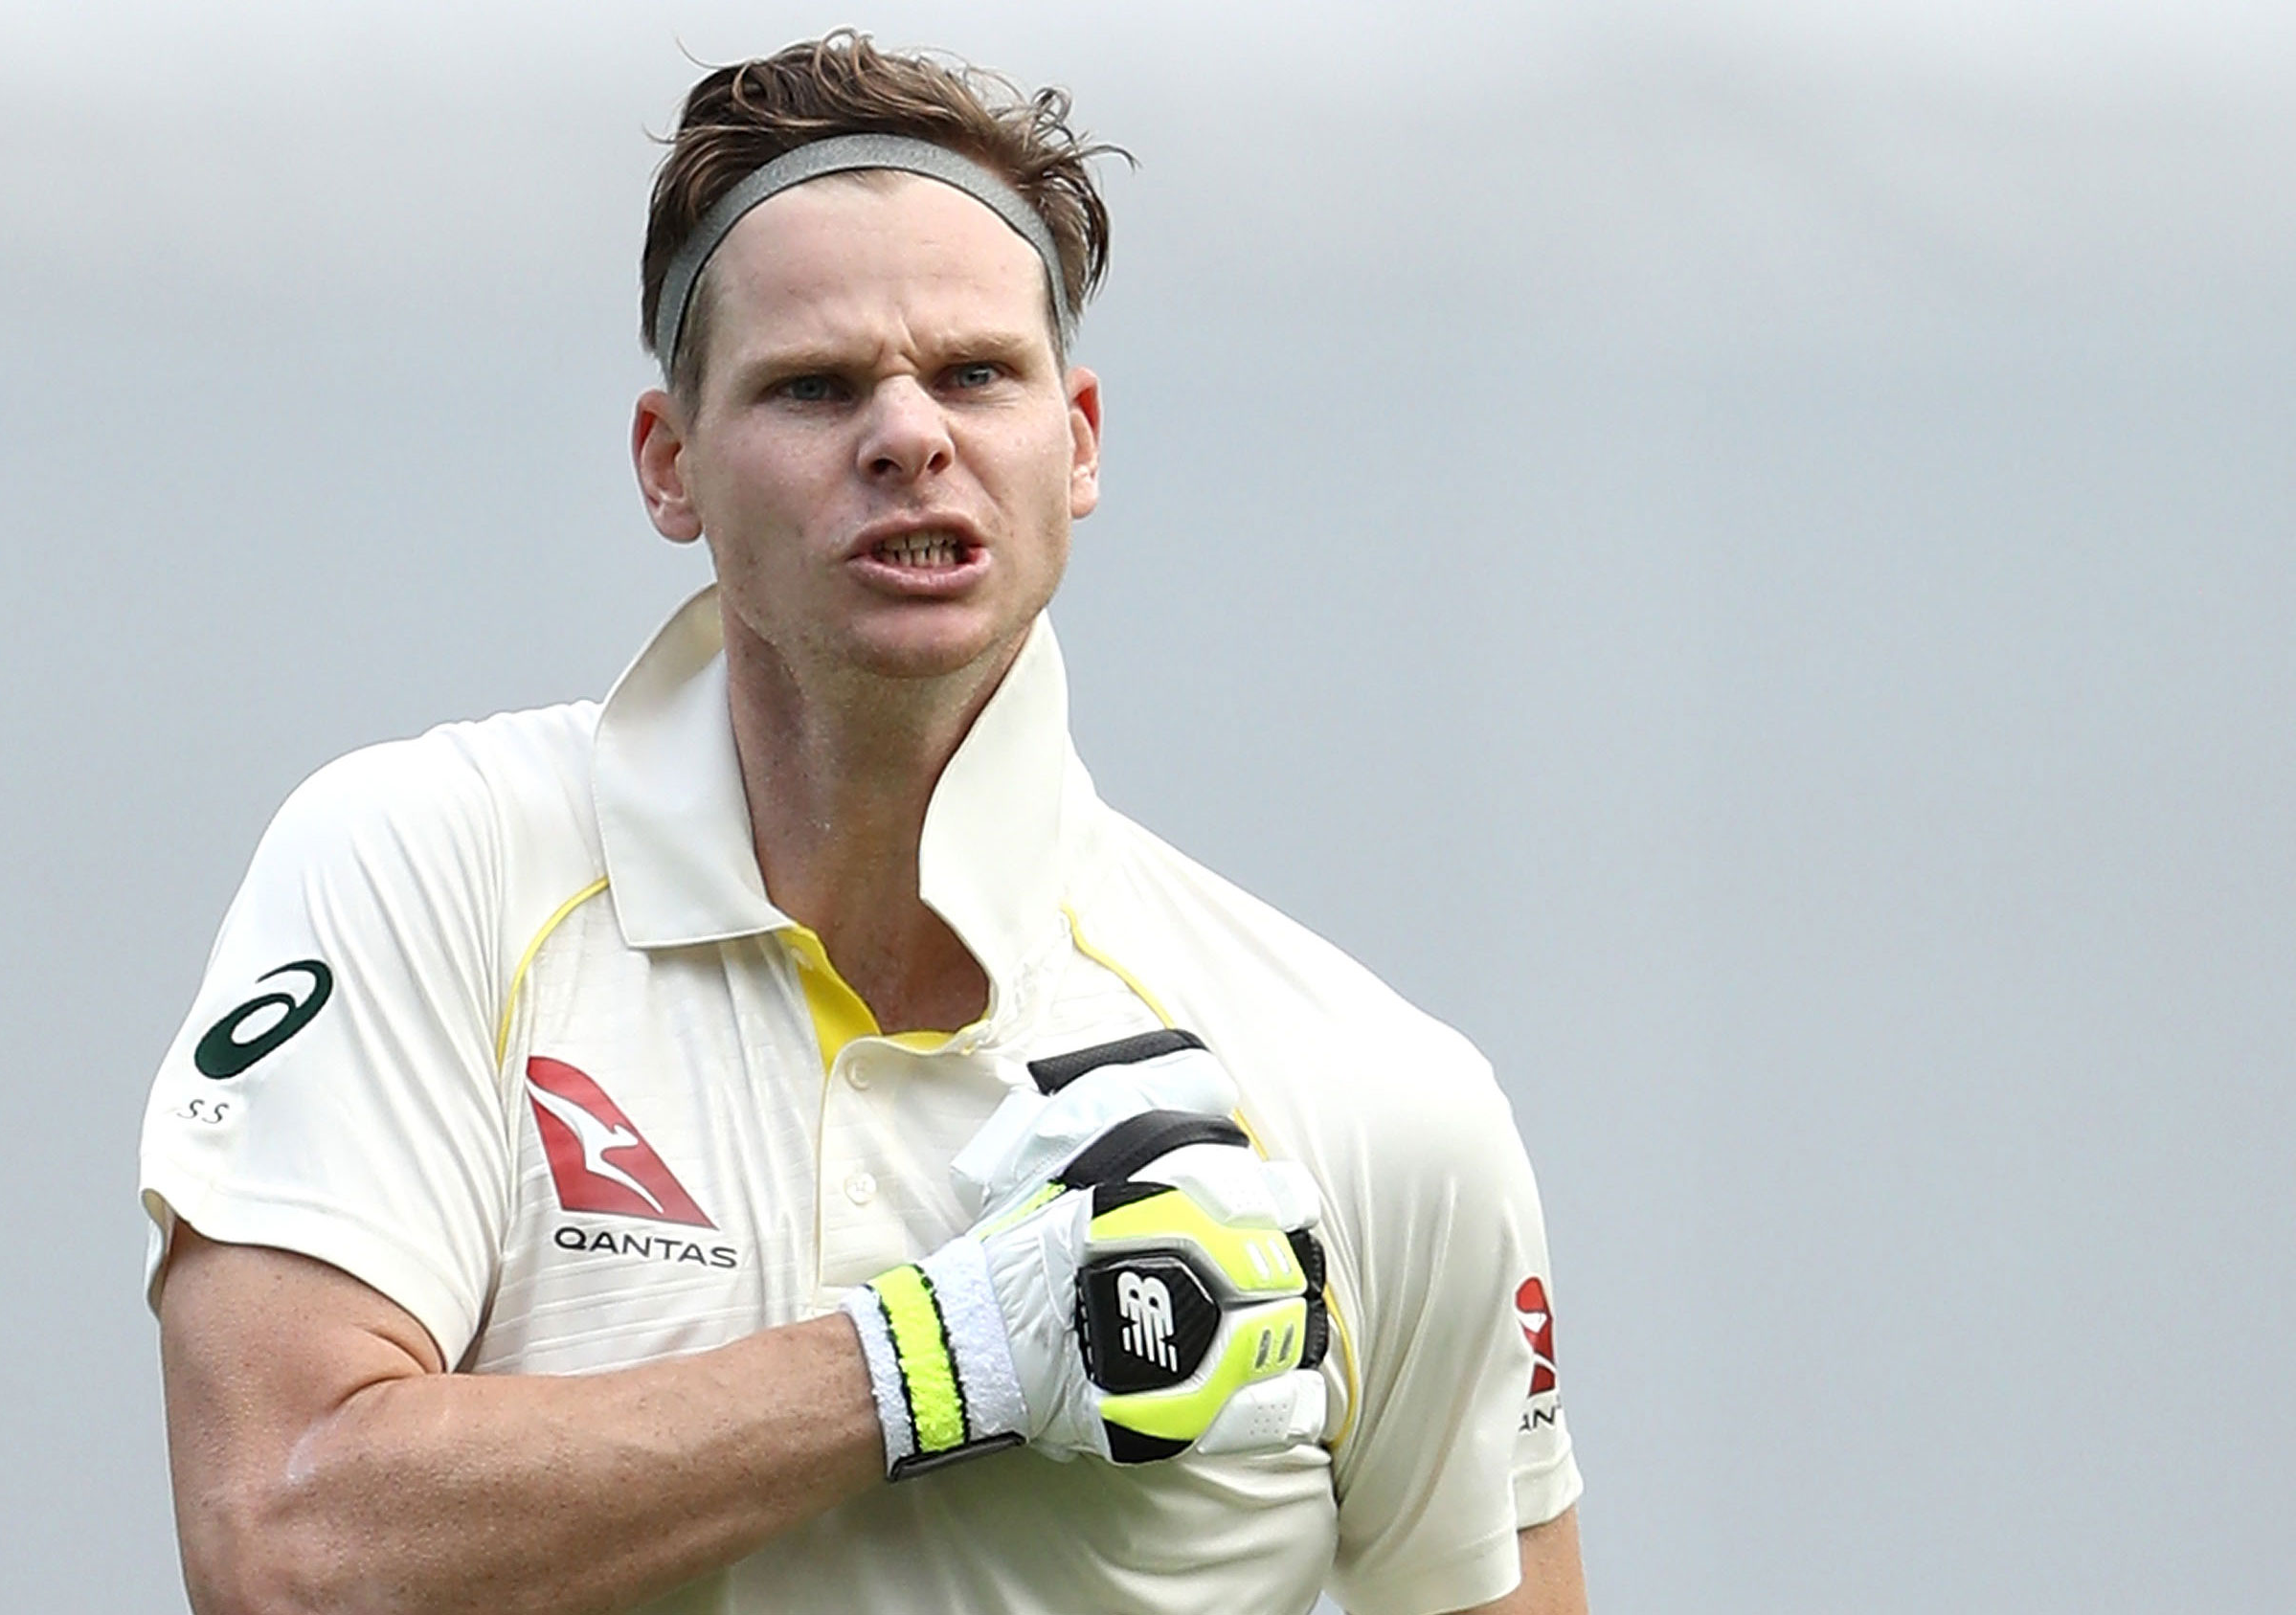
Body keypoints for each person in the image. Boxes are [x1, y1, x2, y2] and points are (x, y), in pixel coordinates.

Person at [139, 31, 1586, 1615]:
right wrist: (952, 1351)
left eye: (976, 373)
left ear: (1078, 439)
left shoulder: (1378, 1101)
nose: (909, 435)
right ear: (669, 463)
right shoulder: (427, 870)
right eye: (815, 387)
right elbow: (285, 1546)